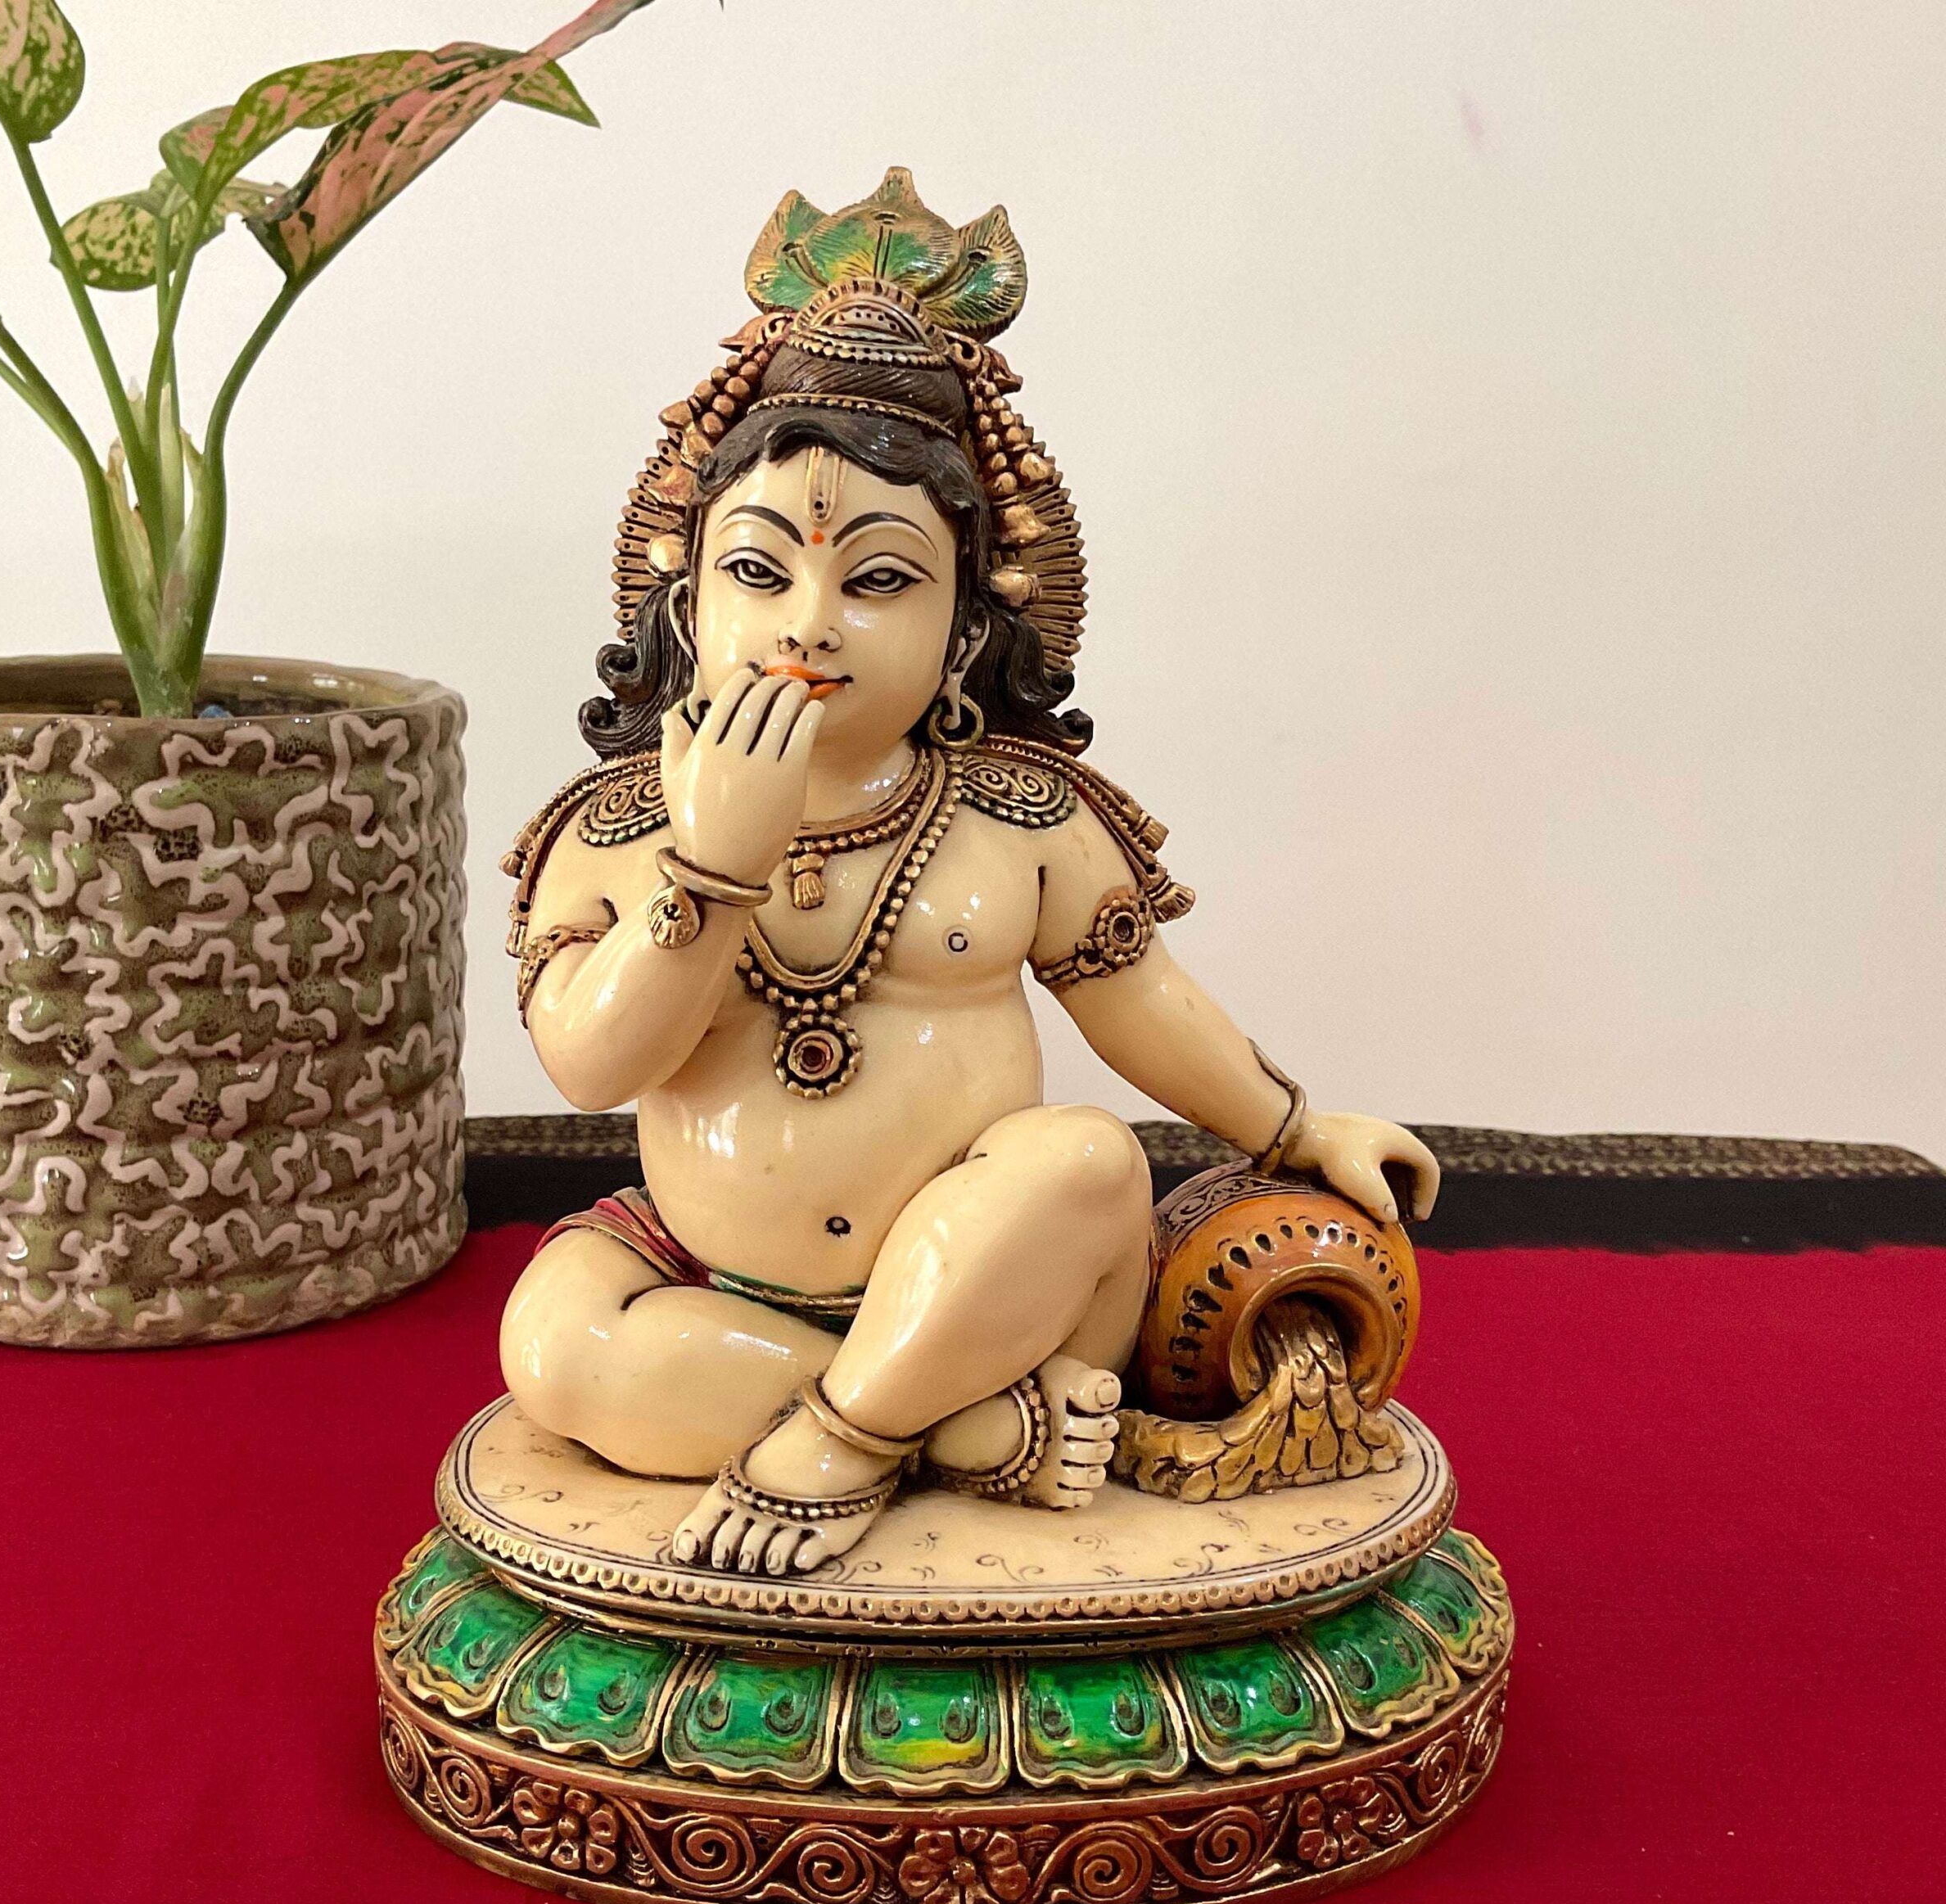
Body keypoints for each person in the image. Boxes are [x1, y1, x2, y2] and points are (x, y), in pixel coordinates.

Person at [499, 172, 1438, 1577]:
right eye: (760, 573)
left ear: (963, 632)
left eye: (879, 581)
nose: (810, 624)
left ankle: (841, 1438)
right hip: (714, 1285)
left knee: (1084, 1160)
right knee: (552, 1346)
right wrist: (715, 861)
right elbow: (590, 1065)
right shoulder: (617, 828)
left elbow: (1142, 1004)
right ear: (686, 607)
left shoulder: (1017, 814)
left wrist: (1300, 1127)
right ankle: (955, 1430)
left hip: (1003, 1293)